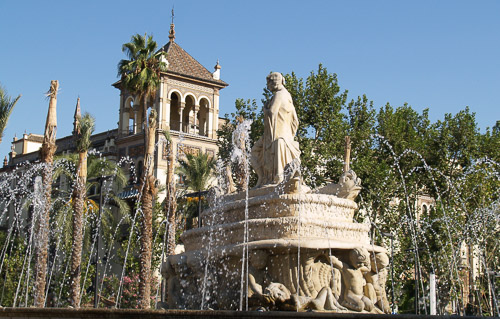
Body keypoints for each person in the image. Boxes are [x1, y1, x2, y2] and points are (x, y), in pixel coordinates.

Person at [251, 72, 300, 186]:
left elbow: (272, 112)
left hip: (277, 134)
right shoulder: (287, 95)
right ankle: (264, 177)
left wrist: (265, 109)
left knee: (254, 151)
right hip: (281, 133)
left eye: (268, 84)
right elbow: (295, 120)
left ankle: (267, 177)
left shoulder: (279, 94)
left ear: (273, 83)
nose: (268, 87)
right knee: (255, 151)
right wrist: (291, 135)